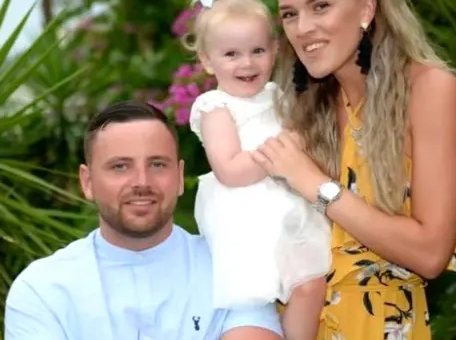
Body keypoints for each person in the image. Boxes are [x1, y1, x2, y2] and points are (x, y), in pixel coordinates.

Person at [251, 0, 456, 339]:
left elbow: (430, 253)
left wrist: (316, 185)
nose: (302, 28)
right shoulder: (297, 109)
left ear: (367, 9)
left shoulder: (429, 91)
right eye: (290, 14)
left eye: (320, 6)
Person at [4, 101, 284, 340]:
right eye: (120, 167)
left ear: (179, 176)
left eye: (157, 165)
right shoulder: (42, 289)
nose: (141, 182)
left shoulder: (233, 269)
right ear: (87, 182)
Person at [186, 0, 331, 340]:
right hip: (248, 218)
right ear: (207, 60)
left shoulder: (275, 95)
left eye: (258, 51)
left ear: (275, 50)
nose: (247, 63)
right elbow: (230, 169)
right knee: (269, 295)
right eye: (231, 54)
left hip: (288, 206)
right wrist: (283, 150)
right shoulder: (215, 107)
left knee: (311, 286)